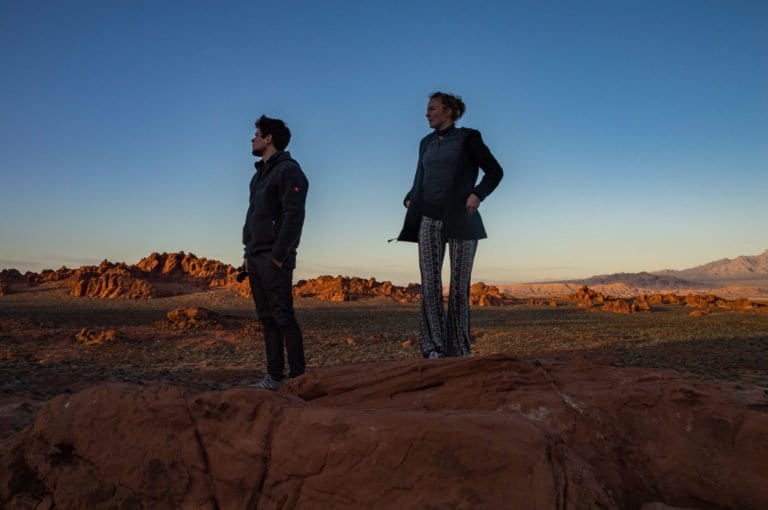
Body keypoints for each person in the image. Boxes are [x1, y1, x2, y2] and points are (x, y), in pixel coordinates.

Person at [398, 92, 503, 358]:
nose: (427, 113)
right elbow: (421, 176)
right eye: (427, 109)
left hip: (461, 218)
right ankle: (433, 347)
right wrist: (411, 197)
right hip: (429, 216)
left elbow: (495, 171)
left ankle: (458, 348)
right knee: (430, 282)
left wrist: (477, 194)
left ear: (448, 111)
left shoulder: (468, 138)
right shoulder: (425, 143)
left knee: (459, 285)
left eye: (432, 108)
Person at [243, 115, 309, 390]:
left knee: (283, 316)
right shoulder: (258, 176)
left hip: (274, 257)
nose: (252, 138)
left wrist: (279, 256)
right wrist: (247, 252)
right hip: (256, 255)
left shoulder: (288, 171)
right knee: (267, 319)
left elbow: (294, 216)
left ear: (268, 138)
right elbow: (253, 216)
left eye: (257, 134)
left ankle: (298, 380)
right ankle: (274, 377)